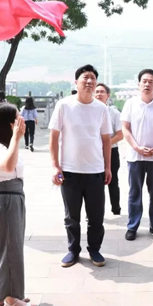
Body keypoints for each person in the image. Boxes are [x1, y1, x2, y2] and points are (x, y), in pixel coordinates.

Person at [49, 64, 112, 268]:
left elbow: (106, 140)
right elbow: (54, 136)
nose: (89, 81)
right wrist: (55, 166)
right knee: (71, 217)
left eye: (93, 78)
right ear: (76, 82)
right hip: (70, 171)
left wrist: (108, 167)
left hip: (95, 171)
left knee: (96, 217)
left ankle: (94, 249)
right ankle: (73, 250)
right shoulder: (64, 105)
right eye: (85, 77)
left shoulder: (101, 109)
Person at [0, 103, 36, 306]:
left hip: (11, 198)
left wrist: (15, 140)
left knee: (7, 248)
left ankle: (8, 294)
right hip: (6, 201)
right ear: (9, 123)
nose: (22, 121)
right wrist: (17, 138)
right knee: (10, 250)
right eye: (18, 118)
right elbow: (8, 167)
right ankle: (12, 300)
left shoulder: (4, 145)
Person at [121, 69, 153, 240]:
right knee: (135, 193)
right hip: (135, 157)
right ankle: (132, 226)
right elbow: (125, 128)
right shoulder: (130, 104)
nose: (147, 84)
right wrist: (136, 147)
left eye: (151, 81)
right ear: (139, 84)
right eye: (144, 81)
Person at [95, 83, 124, 215]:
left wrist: (105, 144)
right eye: (97, 92)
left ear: (108, 95)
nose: (99, 94)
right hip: (94, 153)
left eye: (102, 92)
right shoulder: (89, 112)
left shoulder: (114, 113)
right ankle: (95, 212)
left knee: (113, 180)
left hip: (112, 151)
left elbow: (120, 135)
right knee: (94, 184)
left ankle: (116, 208)